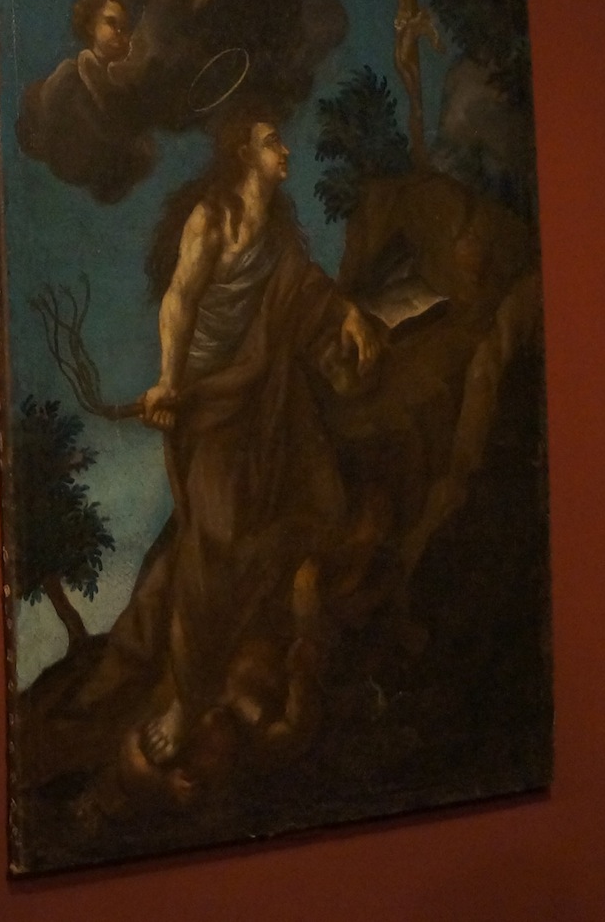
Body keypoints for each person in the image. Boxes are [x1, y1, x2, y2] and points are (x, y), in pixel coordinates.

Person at [118, 111, 381, 780]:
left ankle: (286, 640)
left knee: (313, 499)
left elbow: (301, 285)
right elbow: (179, 300)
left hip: (265, 389)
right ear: (243, 153)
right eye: (271, 143)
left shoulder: (277, 225)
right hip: (211, 400)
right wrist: (168, 382)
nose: (283, 150)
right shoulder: (212, 220)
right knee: (211, 542)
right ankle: (187, 701)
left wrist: (348, 311)